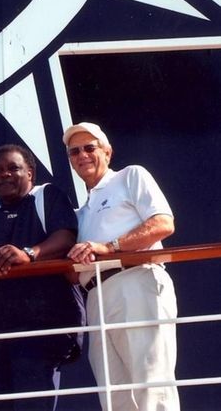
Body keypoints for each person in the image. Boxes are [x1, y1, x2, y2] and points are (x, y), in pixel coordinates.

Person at [64, 122, 179, 411]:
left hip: (136, 282)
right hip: (96, 296)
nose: (82, 155)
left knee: (151, 386)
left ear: (107, 152)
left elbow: (163, 223)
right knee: (114, 395)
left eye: (89, 148)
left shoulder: (130, 176)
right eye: (74, 151)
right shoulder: (81, 211)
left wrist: (110, 247)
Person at [0, 145, 85, 410]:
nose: (4, 174)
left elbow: (65, 237)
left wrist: (29, 253)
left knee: (34, 397)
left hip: (49, 319)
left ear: (30, 172)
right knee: (6, 400)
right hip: (5, 324)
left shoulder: (46, 195)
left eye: (13, 168)